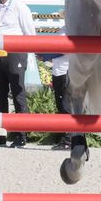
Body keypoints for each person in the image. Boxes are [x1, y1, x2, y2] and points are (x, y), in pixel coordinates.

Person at [0, 0, 37, 148]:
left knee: (18, 92)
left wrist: (29, 54)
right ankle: (1, 134)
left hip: (16, 52)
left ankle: (21, 134)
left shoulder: (20, 6)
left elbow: (29, 32)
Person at [39, 12, 72, 151]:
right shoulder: (65, 28)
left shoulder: (70, 30)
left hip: (65, 71)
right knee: (62, 105)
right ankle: (68, 137)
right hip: (59, 70)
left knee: (65, 105)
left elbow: (64, 49)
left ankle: (69, 139)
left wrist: (44, 55)